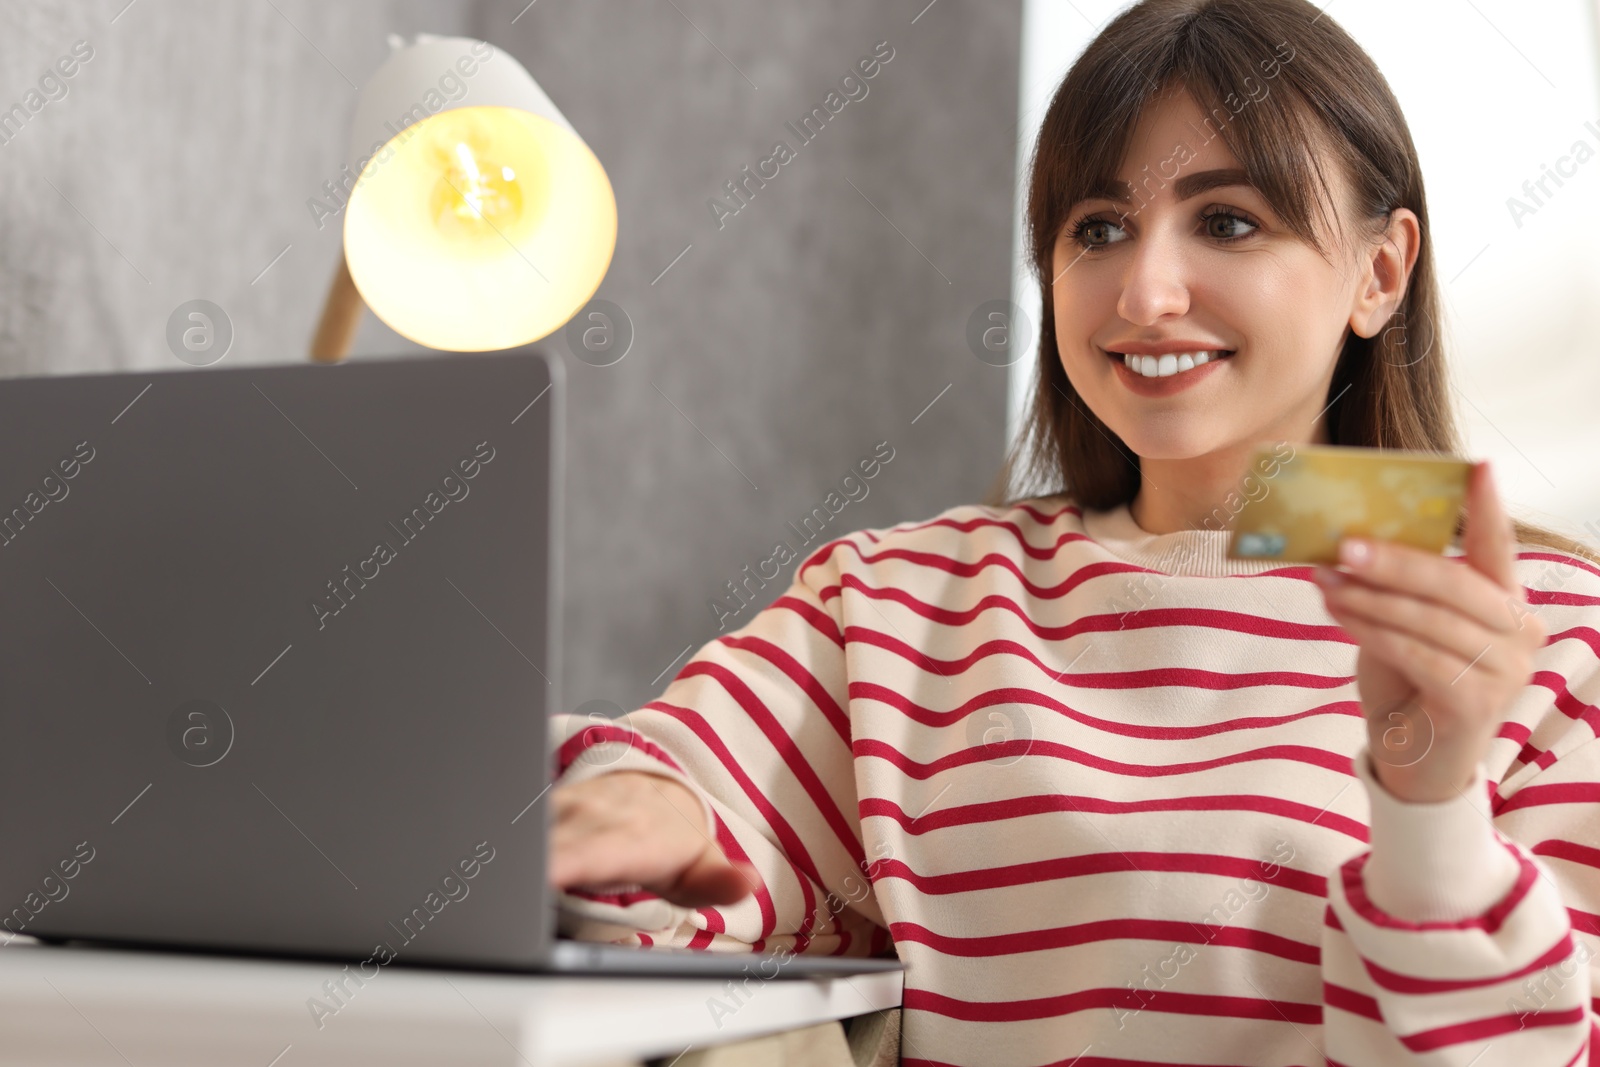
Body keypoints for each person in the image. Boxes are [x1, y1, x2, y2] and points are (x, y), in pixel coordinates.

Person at [548, 0, 1600, 1063]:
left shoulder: (1549, 633)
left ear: (1380, 271)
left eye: (1227, 220)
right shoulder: (898, 598)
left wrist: (1430, 813)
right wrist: (641, 804)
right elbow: (666, 820)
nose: (1143, 293)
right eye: (1096, 228)